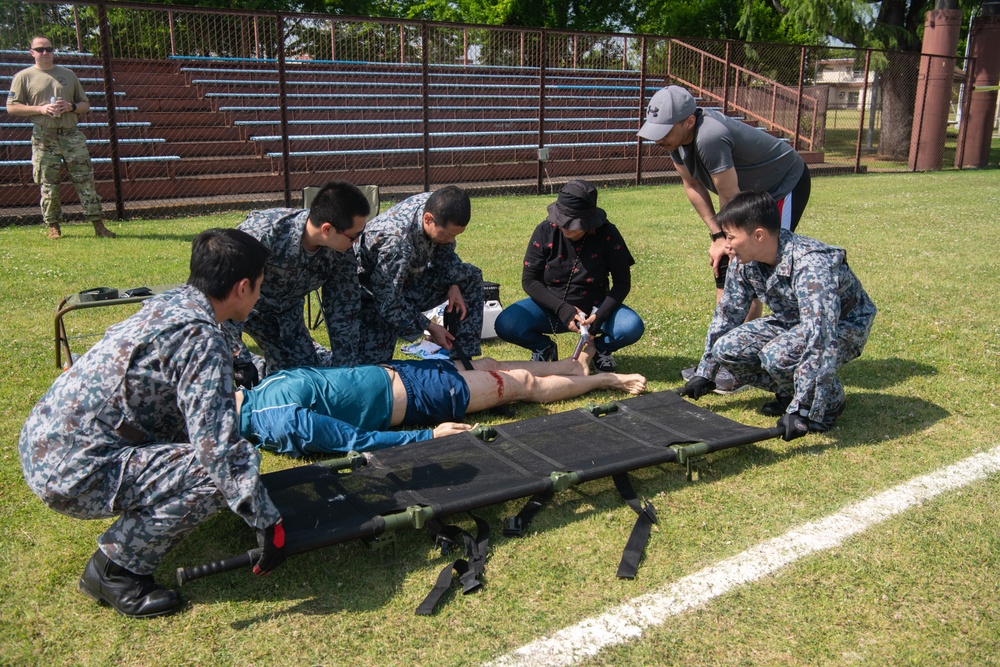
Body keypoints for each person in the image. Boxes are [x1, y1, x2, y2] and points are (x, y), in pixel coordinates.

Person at [18, 229, 286, 619]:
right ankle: (113, 571)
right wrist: (266, 520)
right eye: (259, 286)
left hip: (49, 441)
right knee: (218, 474)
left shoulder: (175, 303)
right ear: (242, 287)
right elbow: (219, 450)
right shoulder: (199, 337)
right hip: (70, 467)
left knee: (217, 459)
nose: (259, 295)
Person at [638, 85, 811, 389]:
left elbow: (731, 200)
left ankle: (742, 365)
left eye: (664, 130)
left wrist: (729, 243)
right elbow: (692, 186)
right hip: (743, 200)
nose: (658, 137)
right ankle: (721, 360)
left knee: (751, 269)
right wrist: (718, 236)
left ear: (688, 122)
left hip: (782, 186)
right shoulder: (675, 142)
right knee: (732, 269)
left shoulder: (710, 136)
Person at [677, 191, 876, 441]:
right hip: (793, 322)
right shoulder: (744, 260)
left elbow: (821, 339)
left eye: (730, 237)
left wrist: (800, 410)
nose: (726, 245)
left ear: (758, 235)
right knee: (726, 349)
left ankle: (828, 402)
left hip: (842, 326)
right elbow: (727, 315)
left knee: (777, 357)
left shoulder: (811, 265)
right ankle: (790, 390)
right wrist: (705, 372)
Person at [235, 348, 647, 457]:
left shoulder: (257, 392)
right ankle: (603, 379)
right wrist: (427, 436)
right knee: (520, 384)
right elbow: (354, 441)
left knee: (488, 361)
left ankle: (573, 367)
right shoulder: (276, 420)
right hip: (417, 399)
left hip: (398, 371)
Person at [222, 181, 372, 381]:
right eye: (354, 235)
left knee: (300, 377)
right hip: (238, 307)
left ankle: (263, 367)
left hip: (284, 314)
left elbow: (343, 310)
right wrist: (238, 358)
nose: (356, 241)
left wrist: (346, 370)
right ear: (327, 229)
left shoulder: (341, 251)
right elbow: (225, 294)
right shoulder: (265, 232)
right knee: (224, 366)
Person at [494, 179, 644, 373]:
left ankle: (600, 350)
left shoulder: (608, 234)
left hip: (594, 308)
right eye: (561, 219)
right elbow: (529, 280)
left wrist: (599, 316)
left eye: (571, 223)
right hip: (551, 307)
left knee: (631, 326)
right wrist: (562, 309)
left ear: (588, 222)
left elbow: (622, 283)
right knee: (507, 323)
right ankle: (543, 347)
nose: (563, 226)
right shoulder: (545, 230)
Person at [355, 185, 484, 365]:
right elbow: (389, 303)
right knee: (374, 366)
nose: (451, 240)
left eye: (455, 235)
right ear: (428, 219)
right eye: (447, 234)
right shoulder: (395, 243)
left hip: (410, 281)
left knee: (469, 276)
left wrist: (454, 283)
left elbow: (443, 252)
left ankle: (462, 359)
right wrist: (430, 327)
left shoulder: (439, 206)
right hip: (373, 298)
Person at [5, 36, 115, 239]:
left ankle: (98, 224)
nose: (45, 53)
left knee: (85, 180)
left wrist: (71, 107)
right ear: (32, 53)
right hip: (44, 136)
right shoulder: (23, 77)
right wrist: (40, 108)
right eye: (40, 49)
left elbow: (85, 104)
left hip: (71, 135)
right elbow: (12, 107)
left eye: (48, 49)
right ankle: (53, 226)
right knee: (48, 183)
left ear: (53, 51)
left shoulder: (68, 74)